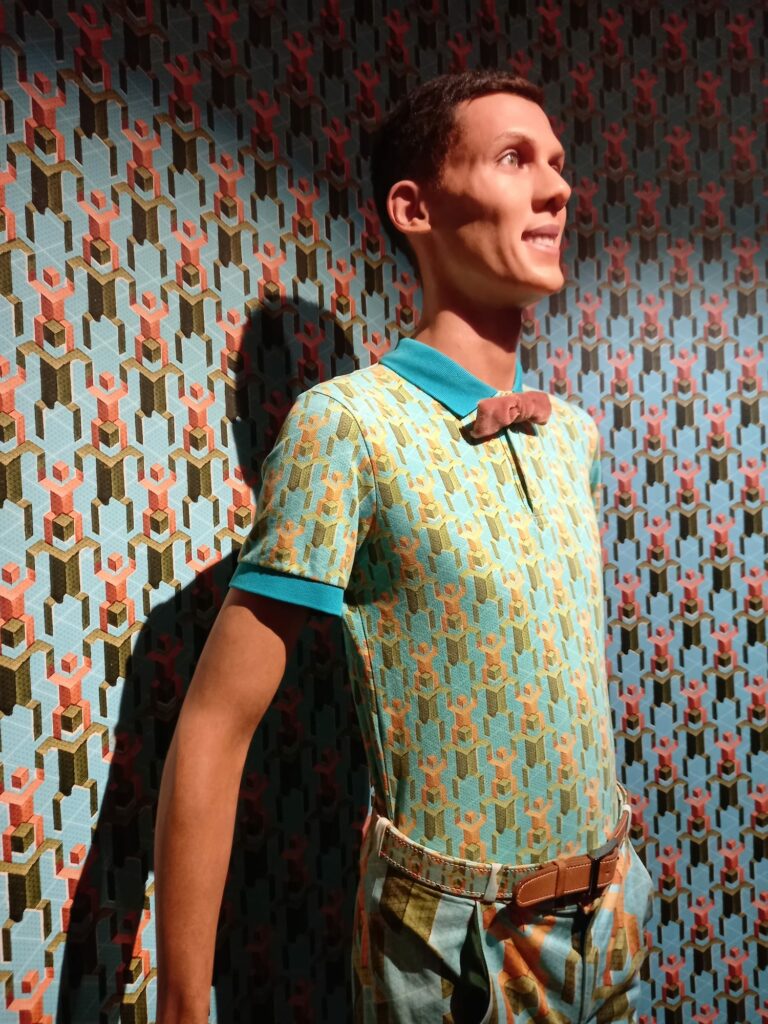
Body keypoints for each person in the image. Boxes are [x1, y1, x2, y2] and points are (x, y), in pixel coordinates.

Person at [154, 69, 654, 1023]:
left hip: (612, 921)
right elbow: (215, 725)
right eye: (515, 159)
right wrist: (182, 1006)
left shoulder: (571, 437)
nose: (558, 187)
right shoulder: (349, 427)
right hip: (463, 954)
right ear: (414, 208)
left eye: (557, 163)